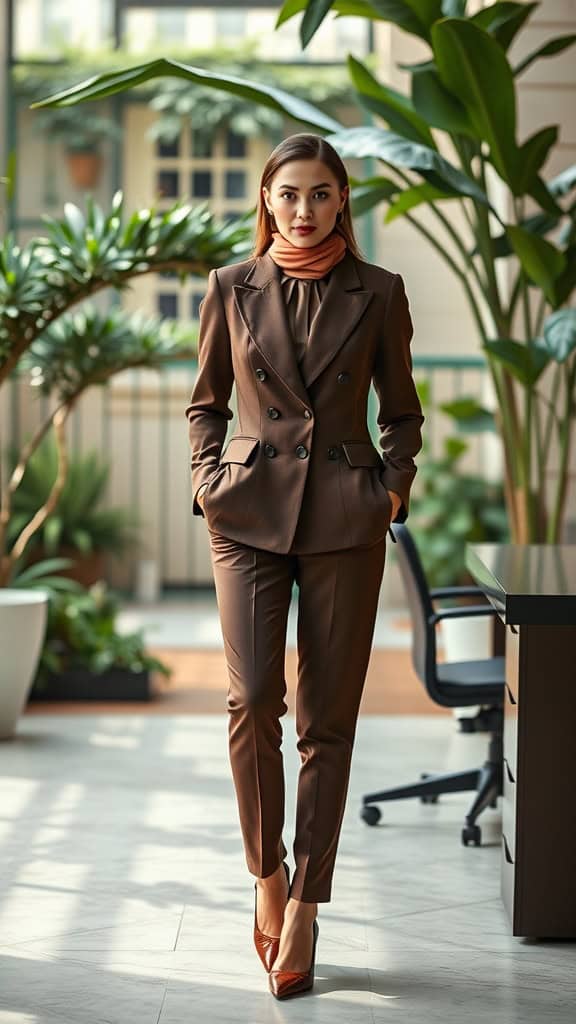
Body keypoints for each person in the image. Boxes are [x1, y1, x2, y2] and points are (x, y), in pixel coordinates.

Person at [185, 132, 424, 999]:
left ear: (341, 202)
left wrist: (389, 492)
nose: (303, 209)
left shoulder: (380, 292)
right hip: (245, 516)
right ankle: (267, 876)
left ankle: (308, 905)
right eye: (289, 194)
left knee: (328, 718)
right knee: (252, 699)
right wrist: (209, 482)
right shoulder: (230, 287)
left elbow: (401, 412)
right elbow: (205, 403)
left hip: (342, 520)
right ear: (266, 200)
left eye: (320, 194)